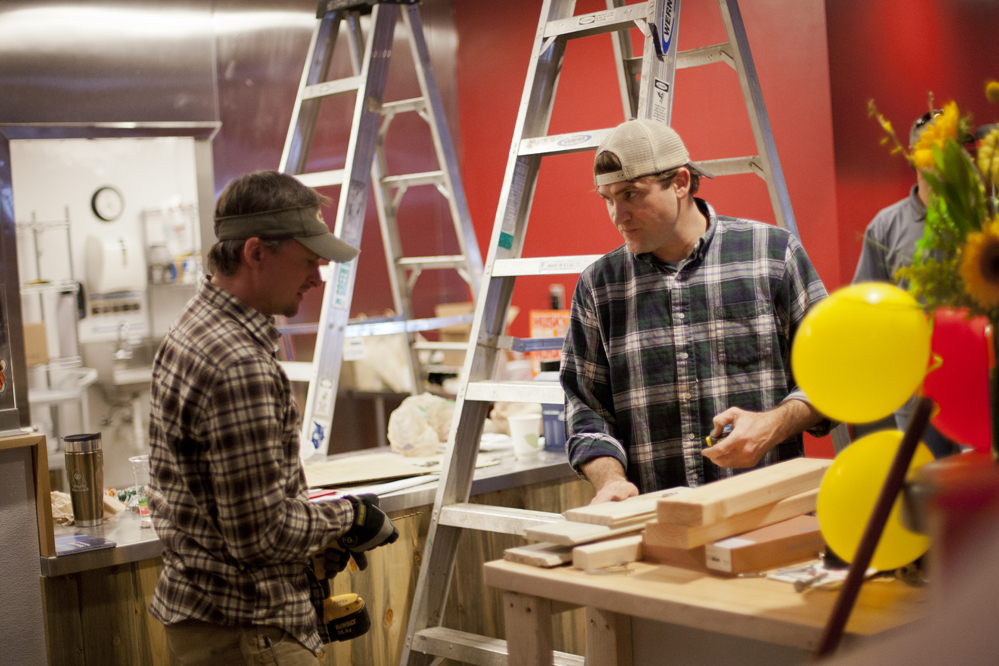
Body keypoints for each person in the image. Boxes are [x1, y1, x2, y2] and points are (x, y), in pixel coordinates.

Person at [147, 169, 398, 665]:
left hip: (212, 621)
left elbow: (228, 514)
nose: (317, 278)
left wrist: (314, 537)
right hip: (251, 632)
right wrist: (349, 516)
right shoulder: (238, 363)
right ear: (256, 252)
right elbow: (260, 534)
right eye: (308, 261)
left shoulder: (192, 328)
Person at [560, 119, 831, 504]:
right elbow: (586, 408)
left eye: (631, 194)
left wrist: (772, 424)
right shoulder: (599, 286)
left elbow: (833, 372)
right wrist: (610, 480)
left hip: (767, 513)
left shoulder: (771, 256)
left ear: (680, 183)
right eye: (607, 199)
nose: (618, 215)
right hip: (659, 522)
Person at [852, 110, 959, 458]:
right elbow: (867, 305)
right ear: (912, 153)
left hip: (979, 379)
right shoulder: (885, 226)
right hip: (915, 386)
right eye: (931, 144)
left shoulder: (987, 216)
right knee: (925, 477)